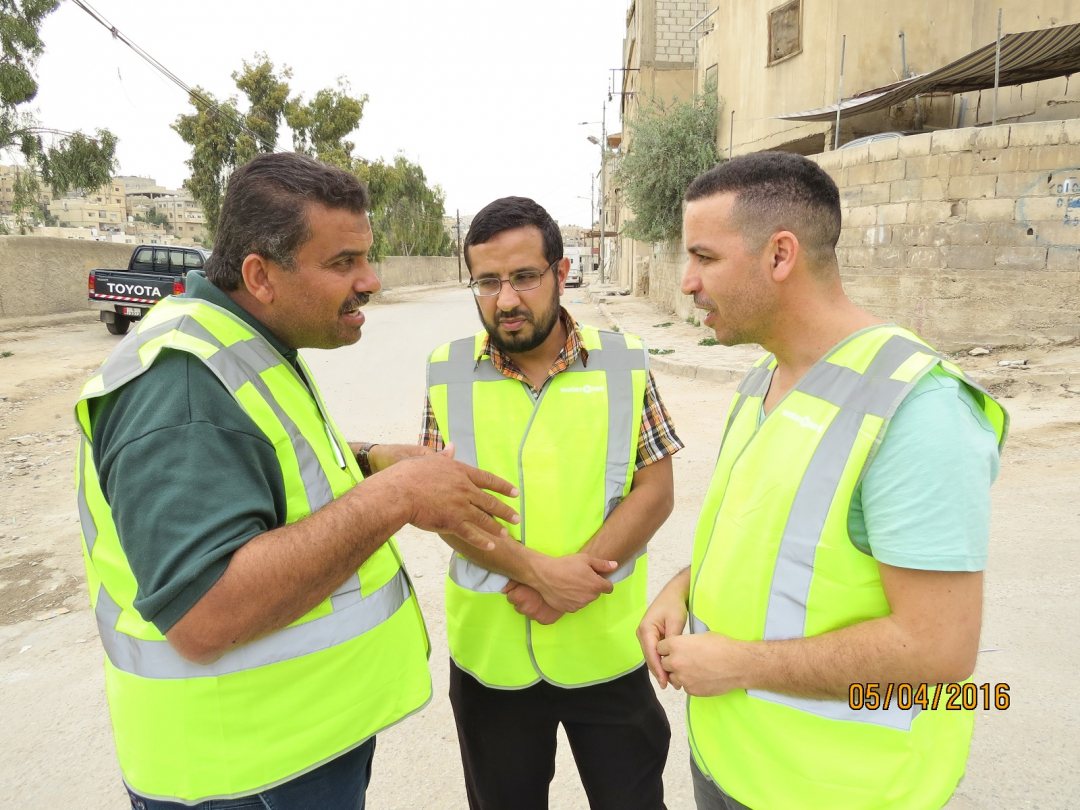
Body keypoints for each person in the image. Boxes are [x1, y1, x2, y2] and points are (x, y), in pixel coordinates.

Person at [74, 152, 519, 809]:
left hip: (288, 754)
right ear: (260, 275)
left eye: (367, 258)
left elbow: (259, 461)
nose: (369, 281)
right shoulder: (181, 384)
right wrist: (395, 497)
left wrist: (368, 460)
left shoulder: (240, 341)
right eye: (342, 263)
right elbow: (203, 615)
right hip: (240, 776)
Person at [637, 152, 1008, 810]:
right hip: (731, 764)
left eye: (704, 256)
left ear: (780, 256)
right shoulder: (764, 380)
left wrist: (740, 664)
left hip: (841, 790)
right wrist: (682, 586)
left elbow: (940, 648)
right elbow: (768, 534)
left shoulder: (916, 410)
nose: (687, 282)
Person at [420, 196, 683, 809]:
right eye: (487, 281)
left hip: (607, 653)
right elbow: (444, 510)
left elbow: (656, 490)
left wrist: (571, 582)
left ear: (561, 274)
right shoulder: (446, 371)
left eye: (524, 278)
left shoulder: (624, 361)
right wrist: (539, 574)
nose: (505, 299)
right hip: (492, 662)